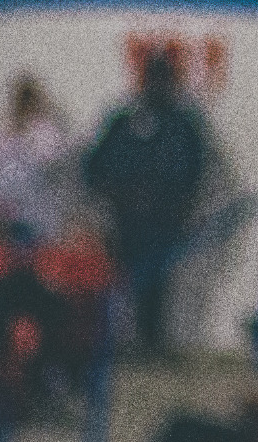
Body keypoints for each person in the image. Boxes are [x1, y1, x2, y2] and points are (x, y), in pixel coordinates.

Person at [82, 52, 208, 352]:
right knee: (122, 281)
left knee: (157, 284)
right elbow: (95, 166)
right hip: (125, 218)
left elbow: (192, 172)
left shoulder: (181, 125)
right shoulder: (124, 122)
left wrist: (173, 202)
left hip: (162, 220)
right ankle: (121, 341)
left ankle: (152, 342)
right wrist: (117, 194)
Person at [0, 74, 73, 242]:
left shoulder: (46, 134)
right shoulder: (0, 140)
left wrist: (44, 123)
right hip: (6, 221)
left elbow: (53, 159)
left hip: (39, 222)